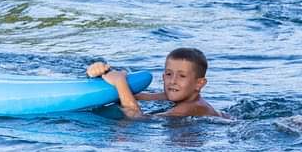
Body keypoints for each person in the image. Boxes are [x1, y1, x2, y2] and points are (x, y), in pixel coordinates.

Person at [86, 47, 223, 118]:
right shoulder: (173, 96)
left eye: (182, 76)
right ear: (163, 76)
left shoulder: (190, 107)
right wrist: (104, 72)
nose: (173, 81)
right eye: (169, 74)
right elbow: (133, 97)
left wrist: (120, 81)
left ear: (199, 84)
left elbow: (137, 118)